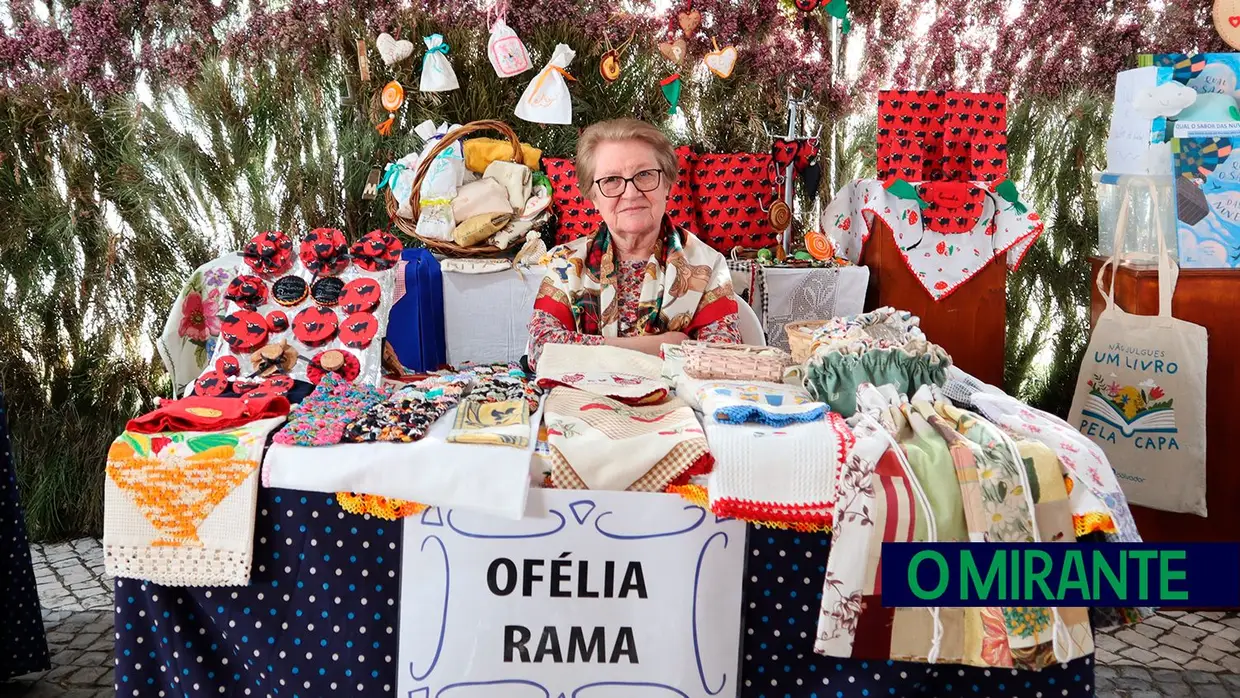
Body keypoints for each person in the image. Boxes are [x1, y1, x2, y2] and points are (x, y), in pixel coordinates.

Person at [527, 118, 741, 369]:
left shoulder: (706, 265)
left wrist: (586, 348)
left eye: (645, 175)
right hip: (580, 404)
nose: (630, 193)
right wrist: (668, 344)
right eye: (611, 180)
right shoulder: (565, 263)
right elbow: (541, 351)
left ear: (668, 184)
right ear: (593, 196)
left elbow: (722, 357)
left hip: (678, 406)